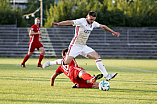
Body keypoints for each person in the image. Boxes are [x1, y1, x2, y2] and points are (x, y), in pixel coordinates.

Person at [51, 11, 120, 81]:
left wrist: (113, 32)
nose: (92, 21)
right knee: (66, 62)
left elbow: (103, 26)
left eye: (93, 19)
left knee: (97, 57)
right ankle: (50, 63)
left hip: (83, 46)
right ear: (87, 16)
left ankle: (107, 75)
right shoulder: (81, 21)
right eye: (90, 19)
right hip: (75, 45)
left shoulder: (93, 23)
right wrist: (59, 24)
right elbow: (71, 22)